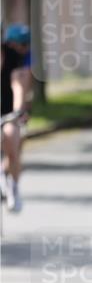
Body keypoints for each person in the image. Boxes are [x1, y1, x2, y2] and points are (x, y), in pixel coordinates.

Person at [1, 24, 32, 213]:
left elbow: (18, 85)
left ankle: (13, 187)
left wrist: (18, 110)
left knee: (12, 136)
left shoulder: (13, 57)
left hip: (7, 110)